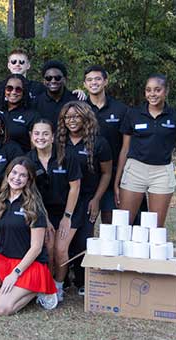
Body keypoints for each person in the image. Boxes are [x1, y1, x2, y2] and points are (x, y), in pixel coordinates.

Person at [115, 74, 176, 227]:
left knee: (155, 228)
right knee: (123, 225)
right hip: (134, 170)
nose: (152, 94)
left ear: (166, 91)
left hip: (161, 173)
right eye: (148, 90)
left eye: (157, 90)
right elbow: (125, 149)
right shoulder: (133, 114)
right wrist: (117, 180)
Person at [0, 157, 59, 315]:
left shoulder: (33, 206)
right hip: (5, 260)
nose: (17, 178)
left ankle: (38, 290)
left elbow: (36, 248)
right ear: (7, 174)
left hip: (30, 264)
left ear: (29, 180)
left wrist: (15, 274)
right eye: (14, 173)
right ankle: (15, 289)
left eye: (23, 175)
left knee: (0, 308)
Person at [57, 101, 112, 296]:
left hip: (87, 198)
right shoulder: (58, 142)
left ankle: (82, 280)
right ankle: (61, 280)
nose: (71, 121)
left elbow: (106, 173)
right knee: (63, 242)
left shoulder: (99, 143)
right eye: (67, 117)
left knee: (83, 241)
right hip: (63, 199)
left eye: (76, 116)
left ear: (85, 117)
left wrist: (97, 198)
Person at [26, 118, 81, 301]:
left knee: (60, 250)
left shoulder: (67, 156)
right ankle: (46, 285)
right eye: (37, 133)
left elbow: (75, 187)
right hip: (43, 211)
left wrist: (67, 217)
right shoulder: (28, 160)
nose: (40, 137)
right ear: (31, 137)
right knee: (48, 248)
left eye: (45, 133)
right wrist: (46, 220)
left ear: (53, 137)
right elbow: (32, 193)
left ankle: (58, 286)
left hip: (69, 209)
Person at [84, 65, 130, 224]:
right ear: (84, 84)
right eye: (89, 80)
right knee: (85, 223)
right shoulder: (79, 108)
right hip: (86, 174)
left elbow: (126, 145)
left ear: (105, 81)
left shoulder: (121, 109)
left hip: (113, 173)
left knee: (111, 223)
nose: (94, 83)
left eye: (97, 79)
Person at [0, 74, 41, 152]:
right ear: (4, 90)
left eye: (18, 89)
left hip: (20, 161)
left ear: (24, 92)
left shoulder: (32, 116)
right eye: (9, 88)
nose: (13, 92)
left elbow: (35, 148)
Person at [34, 60, 78, 126]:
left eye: (57, 78)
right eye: (48, 78)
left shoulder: (76, 100)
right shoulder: (36, 103)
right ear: (44, 81)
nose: (53, 81)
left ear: (65, 79)